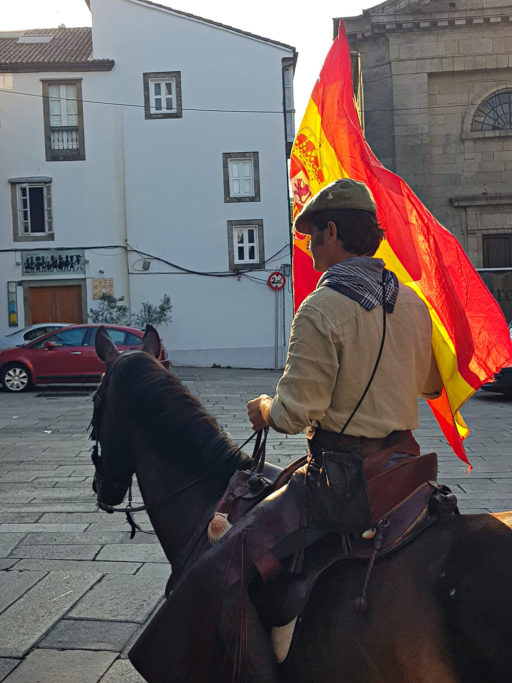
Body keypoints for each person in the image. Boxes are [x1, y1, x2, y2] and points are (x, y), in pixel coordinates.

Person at [129, 178, 444, 683]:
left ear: (334, 233)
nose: (310, 248)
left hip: (344, 482)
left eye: (313, 236)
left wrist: (264, 409)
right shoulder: (411, 304)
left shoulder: (322, 307)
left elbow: (296, 413)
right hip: (404, 470)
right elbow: (429, 384)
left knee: (223, 560)